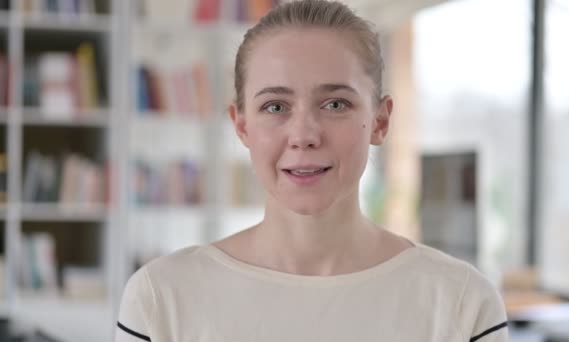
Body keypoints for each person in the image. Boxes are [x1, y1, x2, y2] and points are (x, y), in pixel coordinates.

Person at [115, 1, 509, 341]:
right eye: (275, 107)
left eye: (335, 104)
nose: (303, 135)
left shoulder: (463, 303)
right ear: (242, 126)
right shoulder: (160, 298)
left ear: (380, 121)